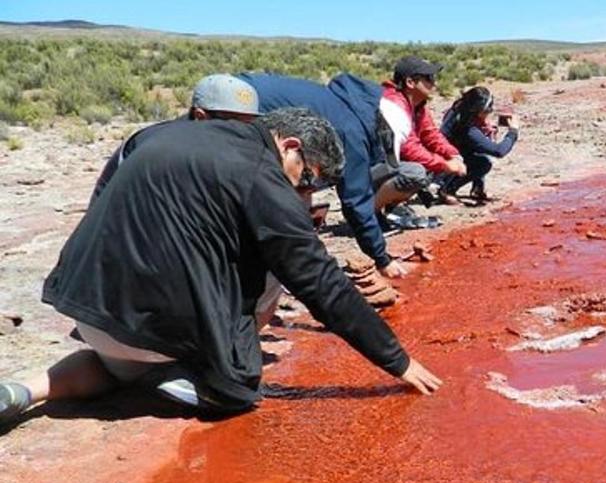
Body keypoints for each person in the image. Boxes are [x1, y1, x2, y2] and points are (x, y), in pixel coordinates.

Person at [0, 107, 441, 426]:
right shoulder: (261, 175)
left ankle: (23, 390)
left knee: (114, 364)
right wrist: (397, 361)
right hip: (150, 330)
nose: (305, 194)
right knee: (240, 380)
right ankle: (191, 379)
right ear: (289, 146)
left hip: (87, 306)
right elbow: (320, 283)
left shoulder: (166, 133)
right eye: (309, 180)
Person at [240, 72, 402, 275]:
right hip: (240, 109)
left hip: (233, 95)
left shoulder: (350, 108)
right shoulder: (352, 133)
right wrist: (382, 258)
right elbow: (356, 202)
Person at [92, 73, 260, 202]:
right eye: (232, 124)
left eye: (249, 125)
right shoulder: (158, 145)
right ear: (201, 116)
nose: (241, 133)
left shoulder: (208, 142)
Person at [377, 56, 467, 228]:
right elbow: (409, 148)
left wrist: (453, 154)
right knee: (416, 172)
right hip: (370, 166)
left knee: (424, 168)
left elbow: (430, 134)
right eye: (428, 78)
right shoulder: (394, 105)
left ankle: (391, 206)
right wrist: (445, 165)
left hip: (386, 164)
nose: (433, 83)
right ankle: (368, 214)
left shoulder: (417, 105)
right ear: (410, 82)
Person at [436, 86, 519, 204]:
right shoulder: (468, 129)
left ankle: (477, 189)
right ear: (477, 111)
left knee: (479, 150)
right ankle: (447, 189)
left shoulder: (459, 109)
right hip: (447, 160)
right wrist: (513, 132)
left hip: (451, 152)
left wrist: (484, 127)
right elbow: (499, 151)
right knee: (484, 163)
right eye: (487, 109)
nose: (490, 111)